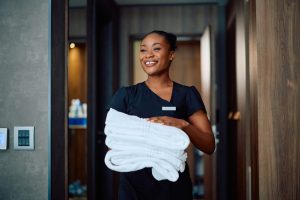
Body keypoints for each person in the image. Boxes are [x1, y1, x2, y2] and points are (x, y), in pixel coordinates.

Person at [107, 30, 215, 200]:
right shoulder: (126, 95)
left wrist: (183, 124)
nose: (148, 55)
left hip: (173, 184)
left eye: (156, 49)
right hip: (133, 187)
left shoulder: (187, 94)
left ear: (171, 54)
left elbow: (209, 145)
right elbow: (114, 142)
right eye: (143, 50)